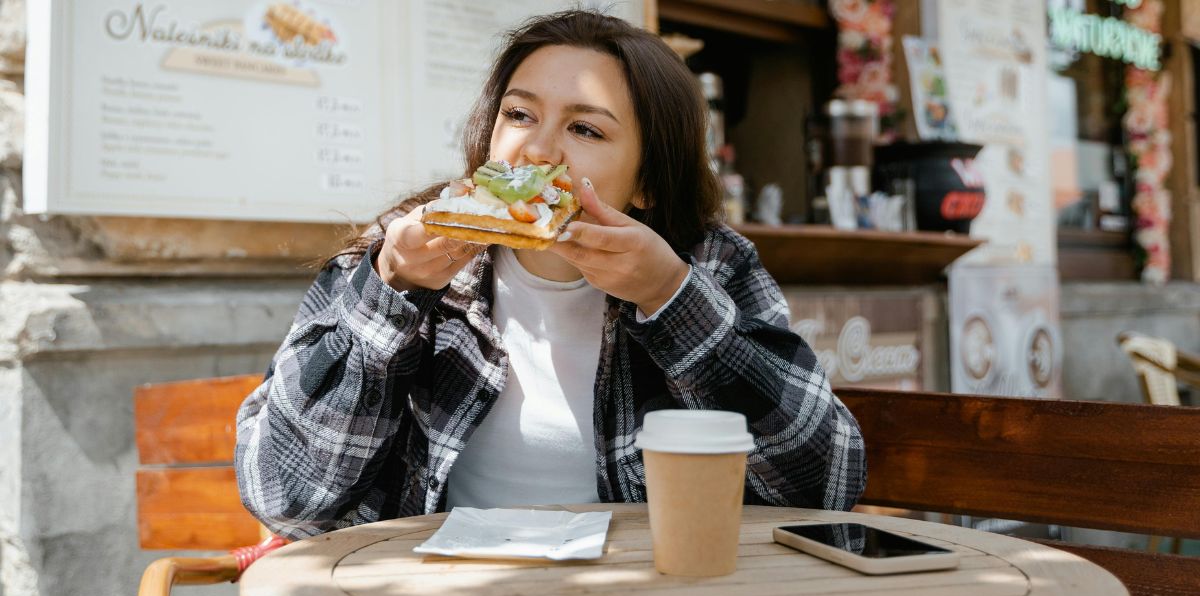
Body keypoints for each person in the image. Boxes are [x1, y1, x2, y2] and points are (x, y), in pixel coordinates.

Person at [236, 10, 866, 539]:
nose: (537, 151)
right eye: (519, 115)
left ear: (647, 182)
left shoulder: (707, 264)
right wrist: (390, 293)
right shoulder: (401, 251)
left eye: (585, 128)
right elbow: (283, 497)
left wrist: (670, 298)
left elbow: (826, 483)